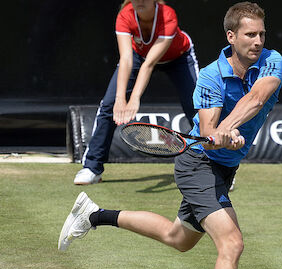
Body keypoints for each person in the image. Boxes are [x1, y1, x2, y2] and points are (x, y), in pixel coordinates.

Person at [58, 2, 282, 269]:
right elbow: (207, 134)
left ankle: (93, 215)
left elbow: (257, 97)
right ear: (231, 36)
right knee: (231, 243)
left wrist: (230, 128)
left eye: (262, 33)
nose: (258, 41)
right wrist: (220, 136)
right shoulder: (208, 76)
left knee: (177, 238)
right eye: (250, 34)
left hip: (223, 170)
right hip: (198, 164)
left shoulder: (272, 61)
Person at [74, 0, 199, 185]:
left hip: (178, 57)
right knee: (109, 106)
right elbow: (125, 59)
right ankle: (92, 168)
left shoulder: (168, 15)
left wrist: (134, 99)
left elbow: (149, 64)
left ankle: (218, 167)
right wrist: (120, 99)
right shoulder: (125, 15)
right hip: (137, 56)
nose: (139, 1)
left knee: (199, 108)